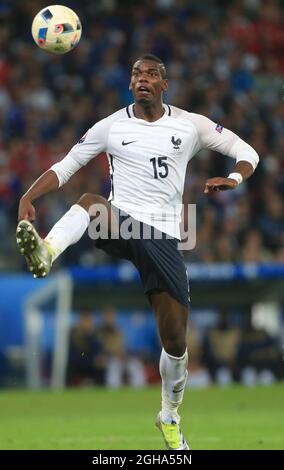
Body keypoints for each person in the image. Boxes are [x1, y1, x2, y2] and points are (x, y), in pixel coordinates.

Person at [16, 54, 259, 450]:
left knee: (176, 342)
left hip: (165, 237)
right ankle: (46, 252)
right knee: (92, 200)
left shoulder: (190, 125)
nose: (142, 78)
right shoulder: (111, 126)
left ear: (165, 84)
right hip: (124, 222)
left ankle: (168, 414)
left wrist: (234, 177)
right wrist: (29, 195)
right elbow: (65, 167)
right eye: (136, 74)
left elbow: (247, 150)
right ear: (130, 84)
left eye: (151, 74)